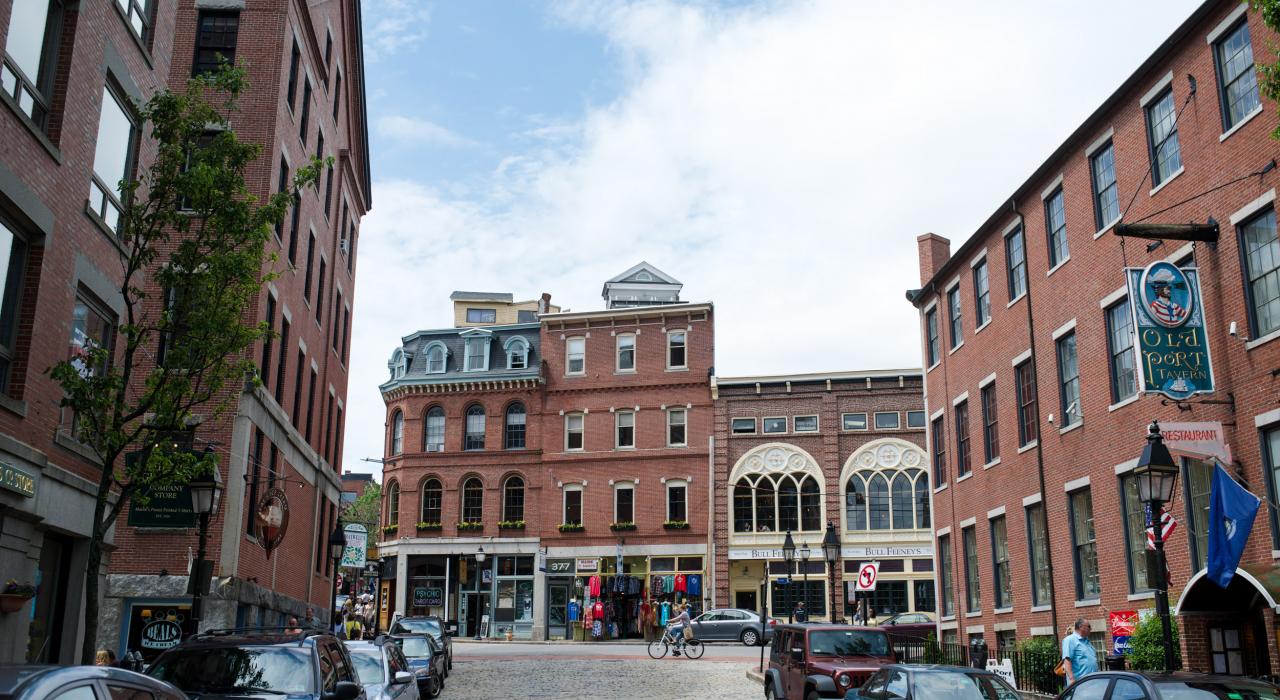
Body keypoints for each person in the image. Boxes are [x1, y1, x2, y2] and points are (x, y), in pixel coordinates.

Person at [1062, 618, 1098, 683]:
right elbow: (1067, 660)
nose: (1091, 629)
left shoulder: (1086, 640)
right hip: (1080, 683)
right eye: (1089, 626)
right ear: (1081, 627)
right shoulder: (1070, 640)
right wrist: (1072, 679)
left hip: (1092, 681)